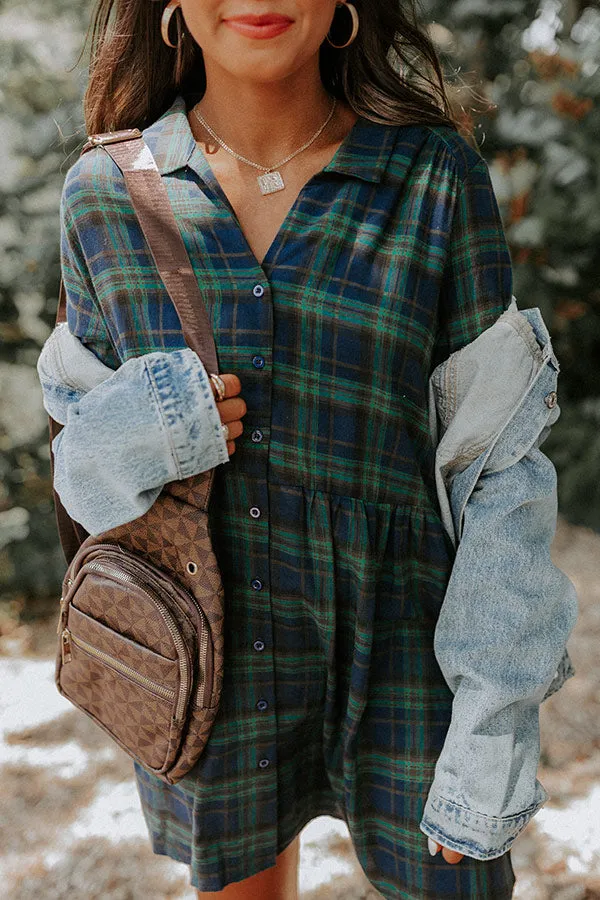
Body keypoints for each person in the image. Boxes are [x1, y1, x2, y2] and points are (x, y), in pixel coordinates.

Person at [36, 1, 578, 897]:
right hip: (209, 656)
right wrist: (159, 422)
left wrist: (491, 727)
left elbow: (501, 469)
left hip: (413, 654)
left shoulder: (433, 175)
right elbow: (81, 479)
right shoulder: (104, 194)